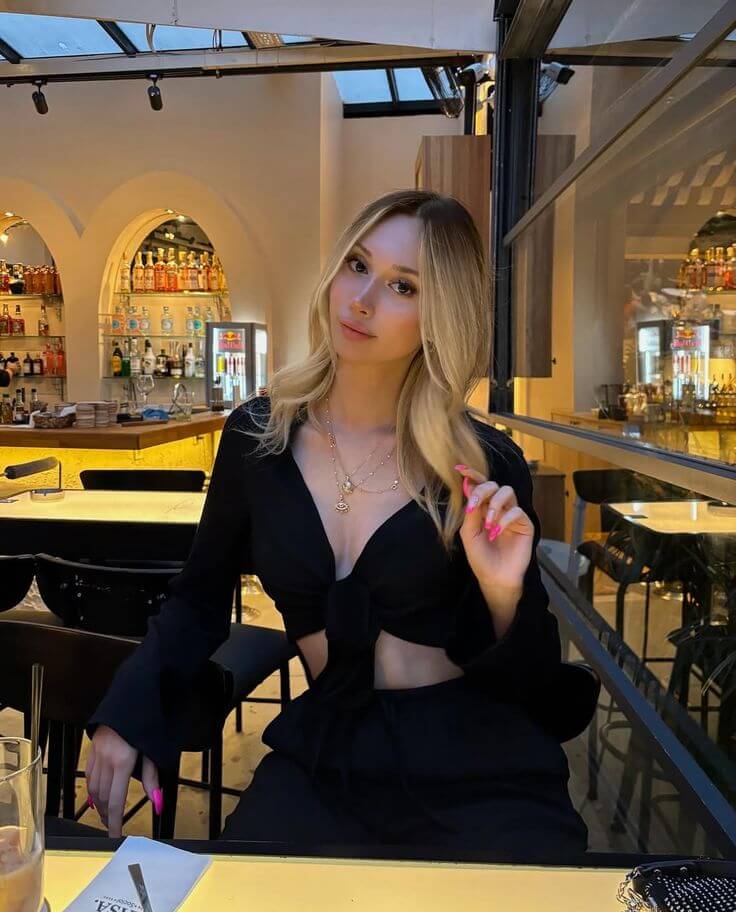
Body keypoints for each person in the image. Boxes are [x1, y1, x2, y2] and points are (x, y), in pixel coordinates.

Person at [85, 189, 589, 855]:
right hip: (327, 750)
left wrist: (502, 595)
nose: (363, 299)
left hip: (474, 761)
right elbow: (198, 599)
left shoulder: (481, 463)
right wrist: (127, 711)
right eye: (357, 265)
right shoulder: (258, 438)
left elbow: (534, 679)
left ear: (440, 315)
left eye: (402, 286)